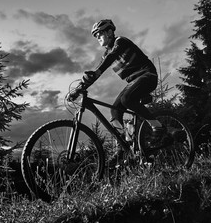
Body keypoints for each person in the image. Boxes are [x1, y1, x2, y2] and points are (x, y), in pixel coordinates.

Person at [69, 19, 165, 164]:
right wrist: (79, 89)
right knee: (115, 111)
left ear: (109, 32)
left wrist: (97, 71)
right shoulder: (106, 54)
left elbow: (111, 57)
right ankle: (123, 148)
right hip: (134, 82)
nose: (98, 38)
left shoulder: (120, 41)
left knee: (127, 99)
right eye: (95, 36)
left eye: (99, 34)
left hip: (147, 75)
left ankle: (157, 125)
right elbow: (98, 71)